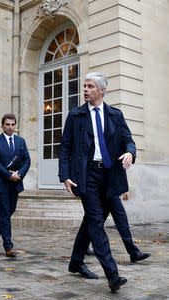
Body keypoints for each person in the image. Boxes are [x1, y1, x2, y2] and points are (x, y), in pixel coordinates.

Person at [59, 72, 137, 292]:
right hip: (88, 175)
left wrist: (130, 153)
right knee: (95, 221)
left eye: (90, 86)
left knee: (92, 222)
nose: (85, 89)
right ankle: (112, 274)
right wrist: (65, 175)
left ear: (101, 90)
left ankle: (75, 262)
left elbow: (128, 140)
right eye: (84, 85)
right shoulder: (75, 116)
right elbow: (65, 148)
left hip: (110, 175)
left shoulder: (115, 115)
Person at [0, 113, 30, 257]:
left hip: (15, 184)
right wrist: (9, 175)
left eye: (12, 124)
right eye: (7, 124)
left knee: (8, 212)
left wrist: (19, 174)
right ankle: (8, 246)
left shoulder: (20, 142)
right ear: (2, 125)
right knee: (4, 214)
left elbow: (27, 161)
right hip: (0, 184)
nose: (10, 127)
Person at [84, 192, 150, 261]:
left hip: (110, 191)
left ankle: (134, 252)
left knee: (121, 220)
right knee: (96, 222)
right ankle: (133, 252)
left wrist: (123, 189)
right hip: (101, 190)